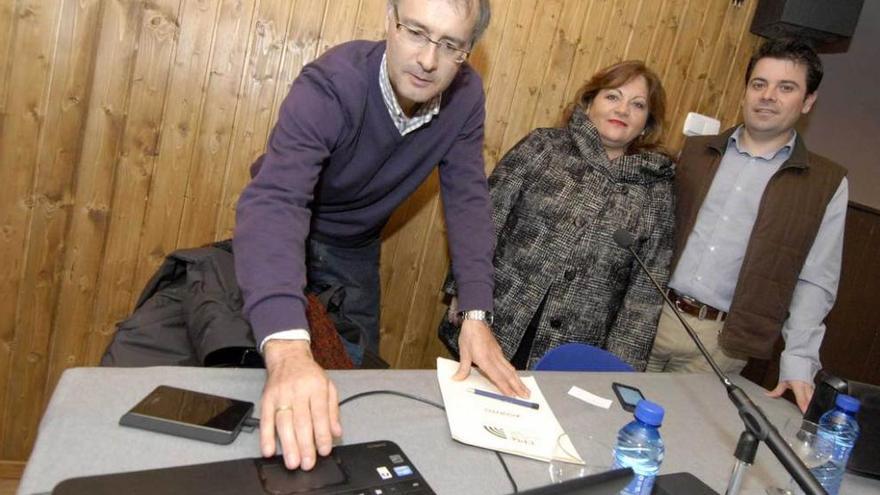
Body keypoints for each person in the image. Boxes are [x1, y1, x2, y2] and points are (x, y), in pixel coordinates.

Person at [234, 0, 528, 471]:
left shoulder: (466, 96)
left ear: (467, 50)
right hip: (289, 231)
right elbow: (275, 202)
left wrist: (475, 311)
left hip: (355, 247)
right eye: (415, 31)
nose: (428, 60)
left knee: (356, 380)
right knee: (267, 366)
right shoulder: (332, 83)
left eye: (449, 45)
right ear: (389, 22)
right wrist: (289, 350)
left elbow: (469, 200)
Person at [646, 38, 848, 413]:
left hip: (723, 344)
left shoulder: (825, 183)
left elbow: (816, 279)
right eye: (759, 84)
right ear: (746, 91)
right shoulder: (694, 153)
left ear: (807, 102)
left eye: (786, 87)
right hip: (650, 315)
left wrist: (799, 360)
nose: (768, 96)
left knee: (680, 445)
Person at [440, 61, 675, 372]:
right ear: (590, 103)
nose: (623, 110)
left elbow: (645, 290)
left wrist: (617, 369)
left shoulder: (655, 189)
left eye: (638, 104)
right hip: (497, 318)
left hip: (573, 353)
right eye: (612, 97)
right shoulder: (543, 146)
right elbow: (486, 219)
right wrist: (464, 293)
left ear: (646, 123)